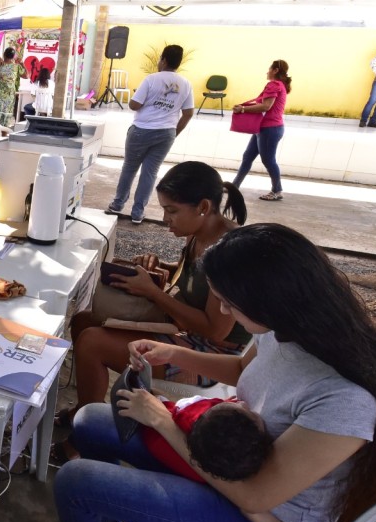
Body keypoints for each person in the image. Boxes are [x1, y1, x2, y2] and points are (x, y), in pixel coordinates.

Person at [55, 223, 376, 522]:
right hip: (229, 472)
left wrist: (164, 423)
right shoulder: (286, 329)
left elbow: (254, 496)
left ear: (271, 300)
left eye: (229, 303)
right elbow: (243, 370)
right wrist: (173, 354)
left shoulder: (345, 400)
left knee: (75, 481)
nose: (225, 312)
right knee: (88, 421)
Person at [58, 161, 250, 435]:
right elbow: (191, 280)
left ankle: (87, 435)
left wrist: (152, 292)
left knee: (92, 342)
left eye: (171, 211)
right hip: (185, 330)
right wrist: (157, 268)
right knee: (82, 321)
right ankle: (85, 407)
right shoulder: (199, 235)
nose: (165, 219)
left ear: (204, 207)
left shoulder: (228, 253)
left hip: (215, 355)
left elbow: (215, 330)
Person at [142, 396, 309, 522]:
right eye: (250, 414)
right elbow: (252, 511)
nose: (244, 403)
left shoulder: (209, 439)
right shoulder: (234, 475)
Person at [104, 45, 194, 224]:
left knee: (129, 168)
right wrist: (174, 133)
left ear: (164, 60)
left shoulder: (151, 79)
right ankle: (138, 213)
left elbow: (134, 105)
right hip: (166, 133)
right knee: (150, 173)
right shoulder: (185, 83)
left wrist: (142, 98)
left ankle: (117, 205)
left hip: (142, 131)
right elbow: (188, 113)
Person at [231, 60, 292, 202]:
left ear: (275, 70)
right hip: (264, 128)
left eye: (269, 69)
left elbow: (266, 106)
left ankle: (277, 190)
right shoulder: (280, 85)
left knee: (268, 160)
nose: (267, 72)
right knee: (247, 157)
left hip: (270, 128)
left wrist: (243, 109)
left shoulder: (274, 84)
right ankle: (234, 186)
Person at [0, 46, 25, 126]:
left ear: (4, 54)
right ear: (13, 57)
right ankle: (4, 136)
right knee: (6, 120)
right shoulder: (16, 67)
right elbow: (27, 75)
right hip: (9, 97)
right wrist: (22, 63)